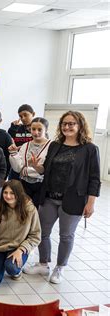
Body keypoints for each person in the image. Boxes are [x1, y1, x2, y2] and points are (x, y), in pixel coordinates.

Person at [24, 111, 101, 284]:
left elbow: (95, 179)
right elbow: (46, 170)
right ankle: (43, 263)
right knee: (42, 232)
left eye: (71, 123)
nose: (67, 127)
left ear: (80, 125)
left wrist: (90, 203)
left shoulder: (89, 149)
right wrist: (37, 167)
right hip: (49, 197)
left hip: (73, 199)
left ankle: (60, 268)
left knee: (66, 236)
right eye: (64, 124)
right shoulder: (55, 145)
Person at [0, 180, 41, 287]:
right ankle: (4, 262)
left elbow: (36, 236)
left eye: (12, 193)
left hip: (18, 248)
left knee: (12, 268)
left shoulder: (30, 209)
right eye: (5, 192)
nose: (8, 196)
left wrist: (21, 250)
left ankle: (15, 270)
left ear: (19, 193)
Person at [9, 117, 51, 207]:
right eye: (33, 129)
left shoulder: (51, 146)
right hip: (24, 183)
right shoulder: (25, 145)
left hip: (41, 185)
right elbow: (17, 168)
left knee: (35, 212)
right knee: (23, 210)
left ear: (46, 130)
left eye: (40, 129)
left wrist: (35, 166)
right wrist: (13, 153)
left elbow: (51, 169)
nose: (36, 132)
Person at [8, 104, 35, 180]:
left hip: (31, 165)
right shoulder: (17, 128)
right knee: (13, 187)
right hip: (16, 163)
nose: (23, 118)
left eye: (25, 115)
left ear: (33, 114)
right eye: (20, 116)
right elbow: (10, 141)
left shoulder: (39, 129)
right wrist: (13, 128)